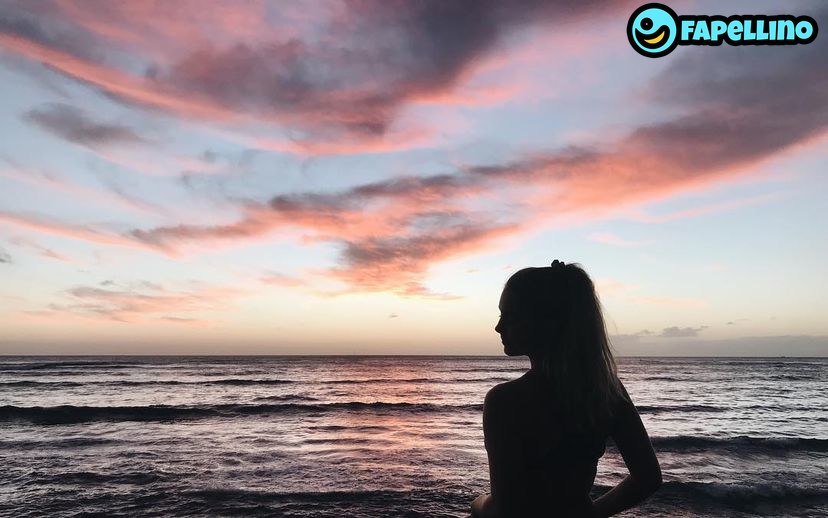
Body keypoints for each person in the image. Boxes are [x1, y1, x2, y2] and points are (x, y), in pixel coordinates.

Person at [470, 260, 661, 517]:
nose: (499, 327)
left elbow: (505, 510)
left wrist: (479, 503)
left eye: (511, 317)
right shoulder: (605, 391)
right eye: (500, 316)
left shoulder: (505, 401)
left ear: (547, 323)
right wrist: (591, 513)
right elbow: (648, 477)